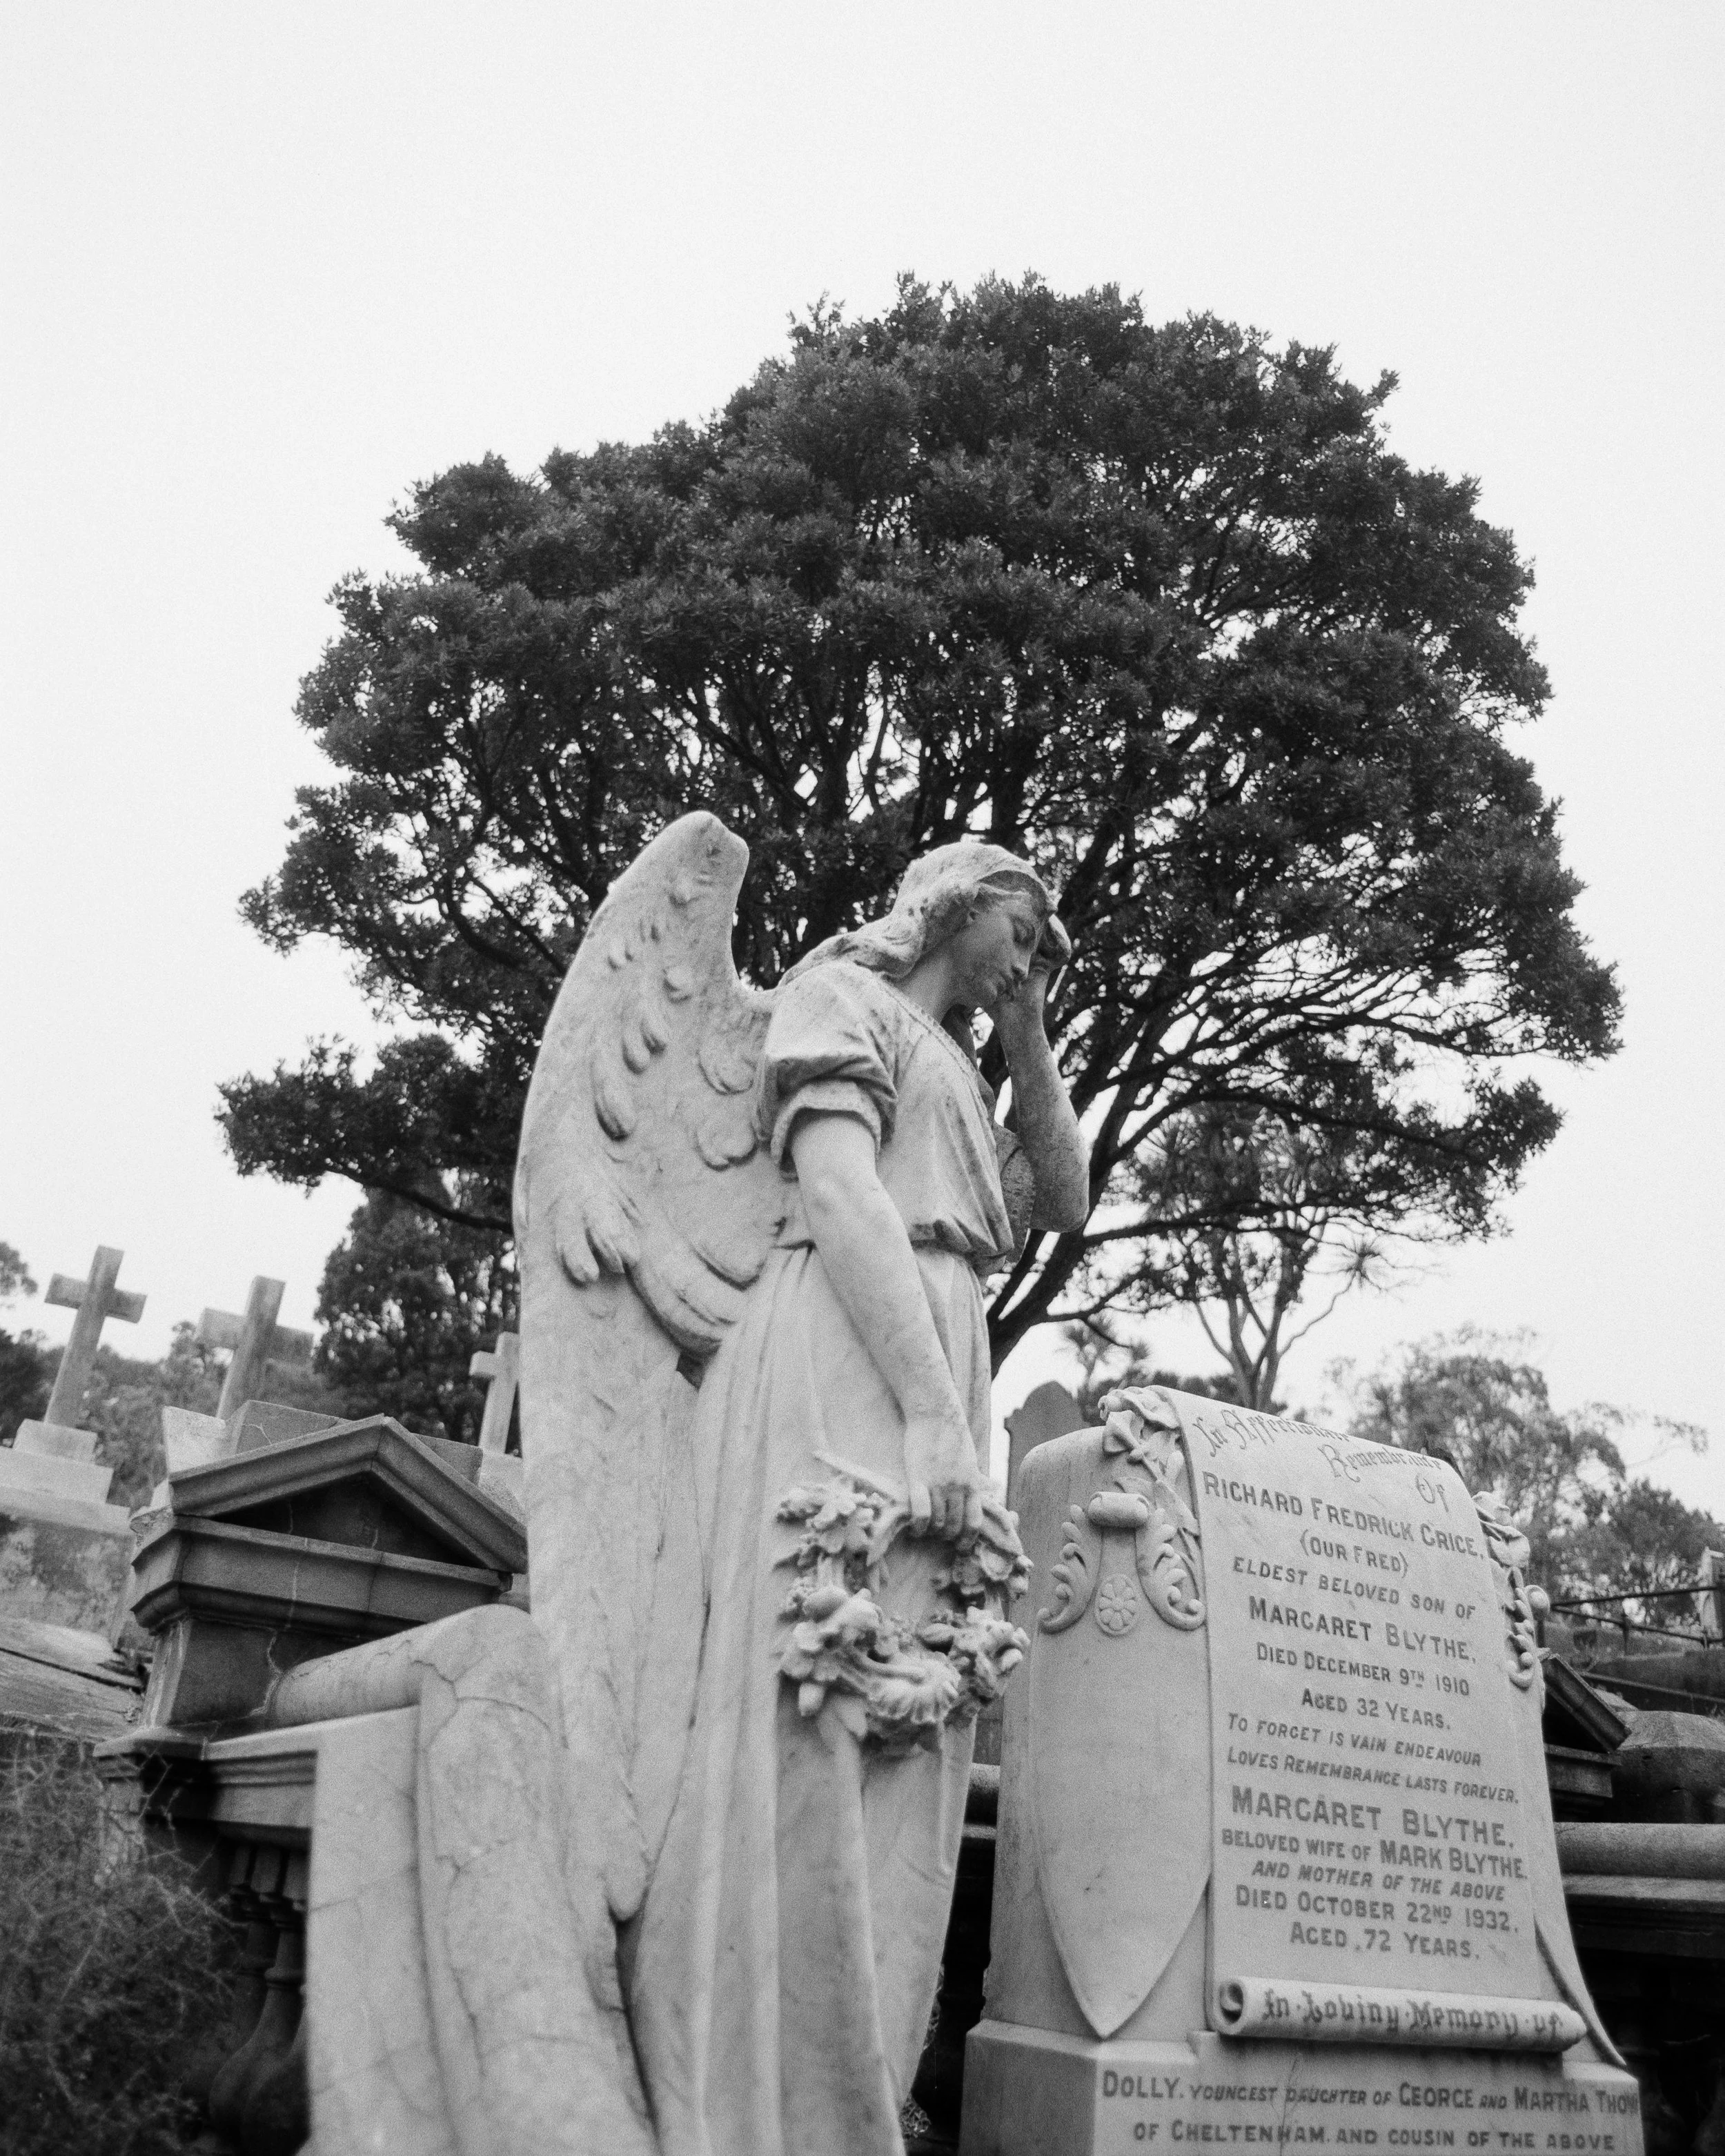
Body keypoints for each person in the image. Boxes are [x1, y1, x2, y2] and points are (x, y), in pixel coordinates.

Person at [629, 843, 1089, 2156]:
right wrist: (930, 1406)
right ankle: (745, 2092)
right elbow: (838, 1191)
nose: (1034, 953)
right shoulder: (841, 996)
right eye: (1022, 927)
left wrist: (1031, 1037)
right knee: (811, 1697)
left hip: (939, 1341)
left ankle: (851, 2092)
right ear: (957, 901)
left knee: (906, 1717)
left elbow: (1062, 1198)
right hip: (845, 1337)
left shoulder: (967, 1069)